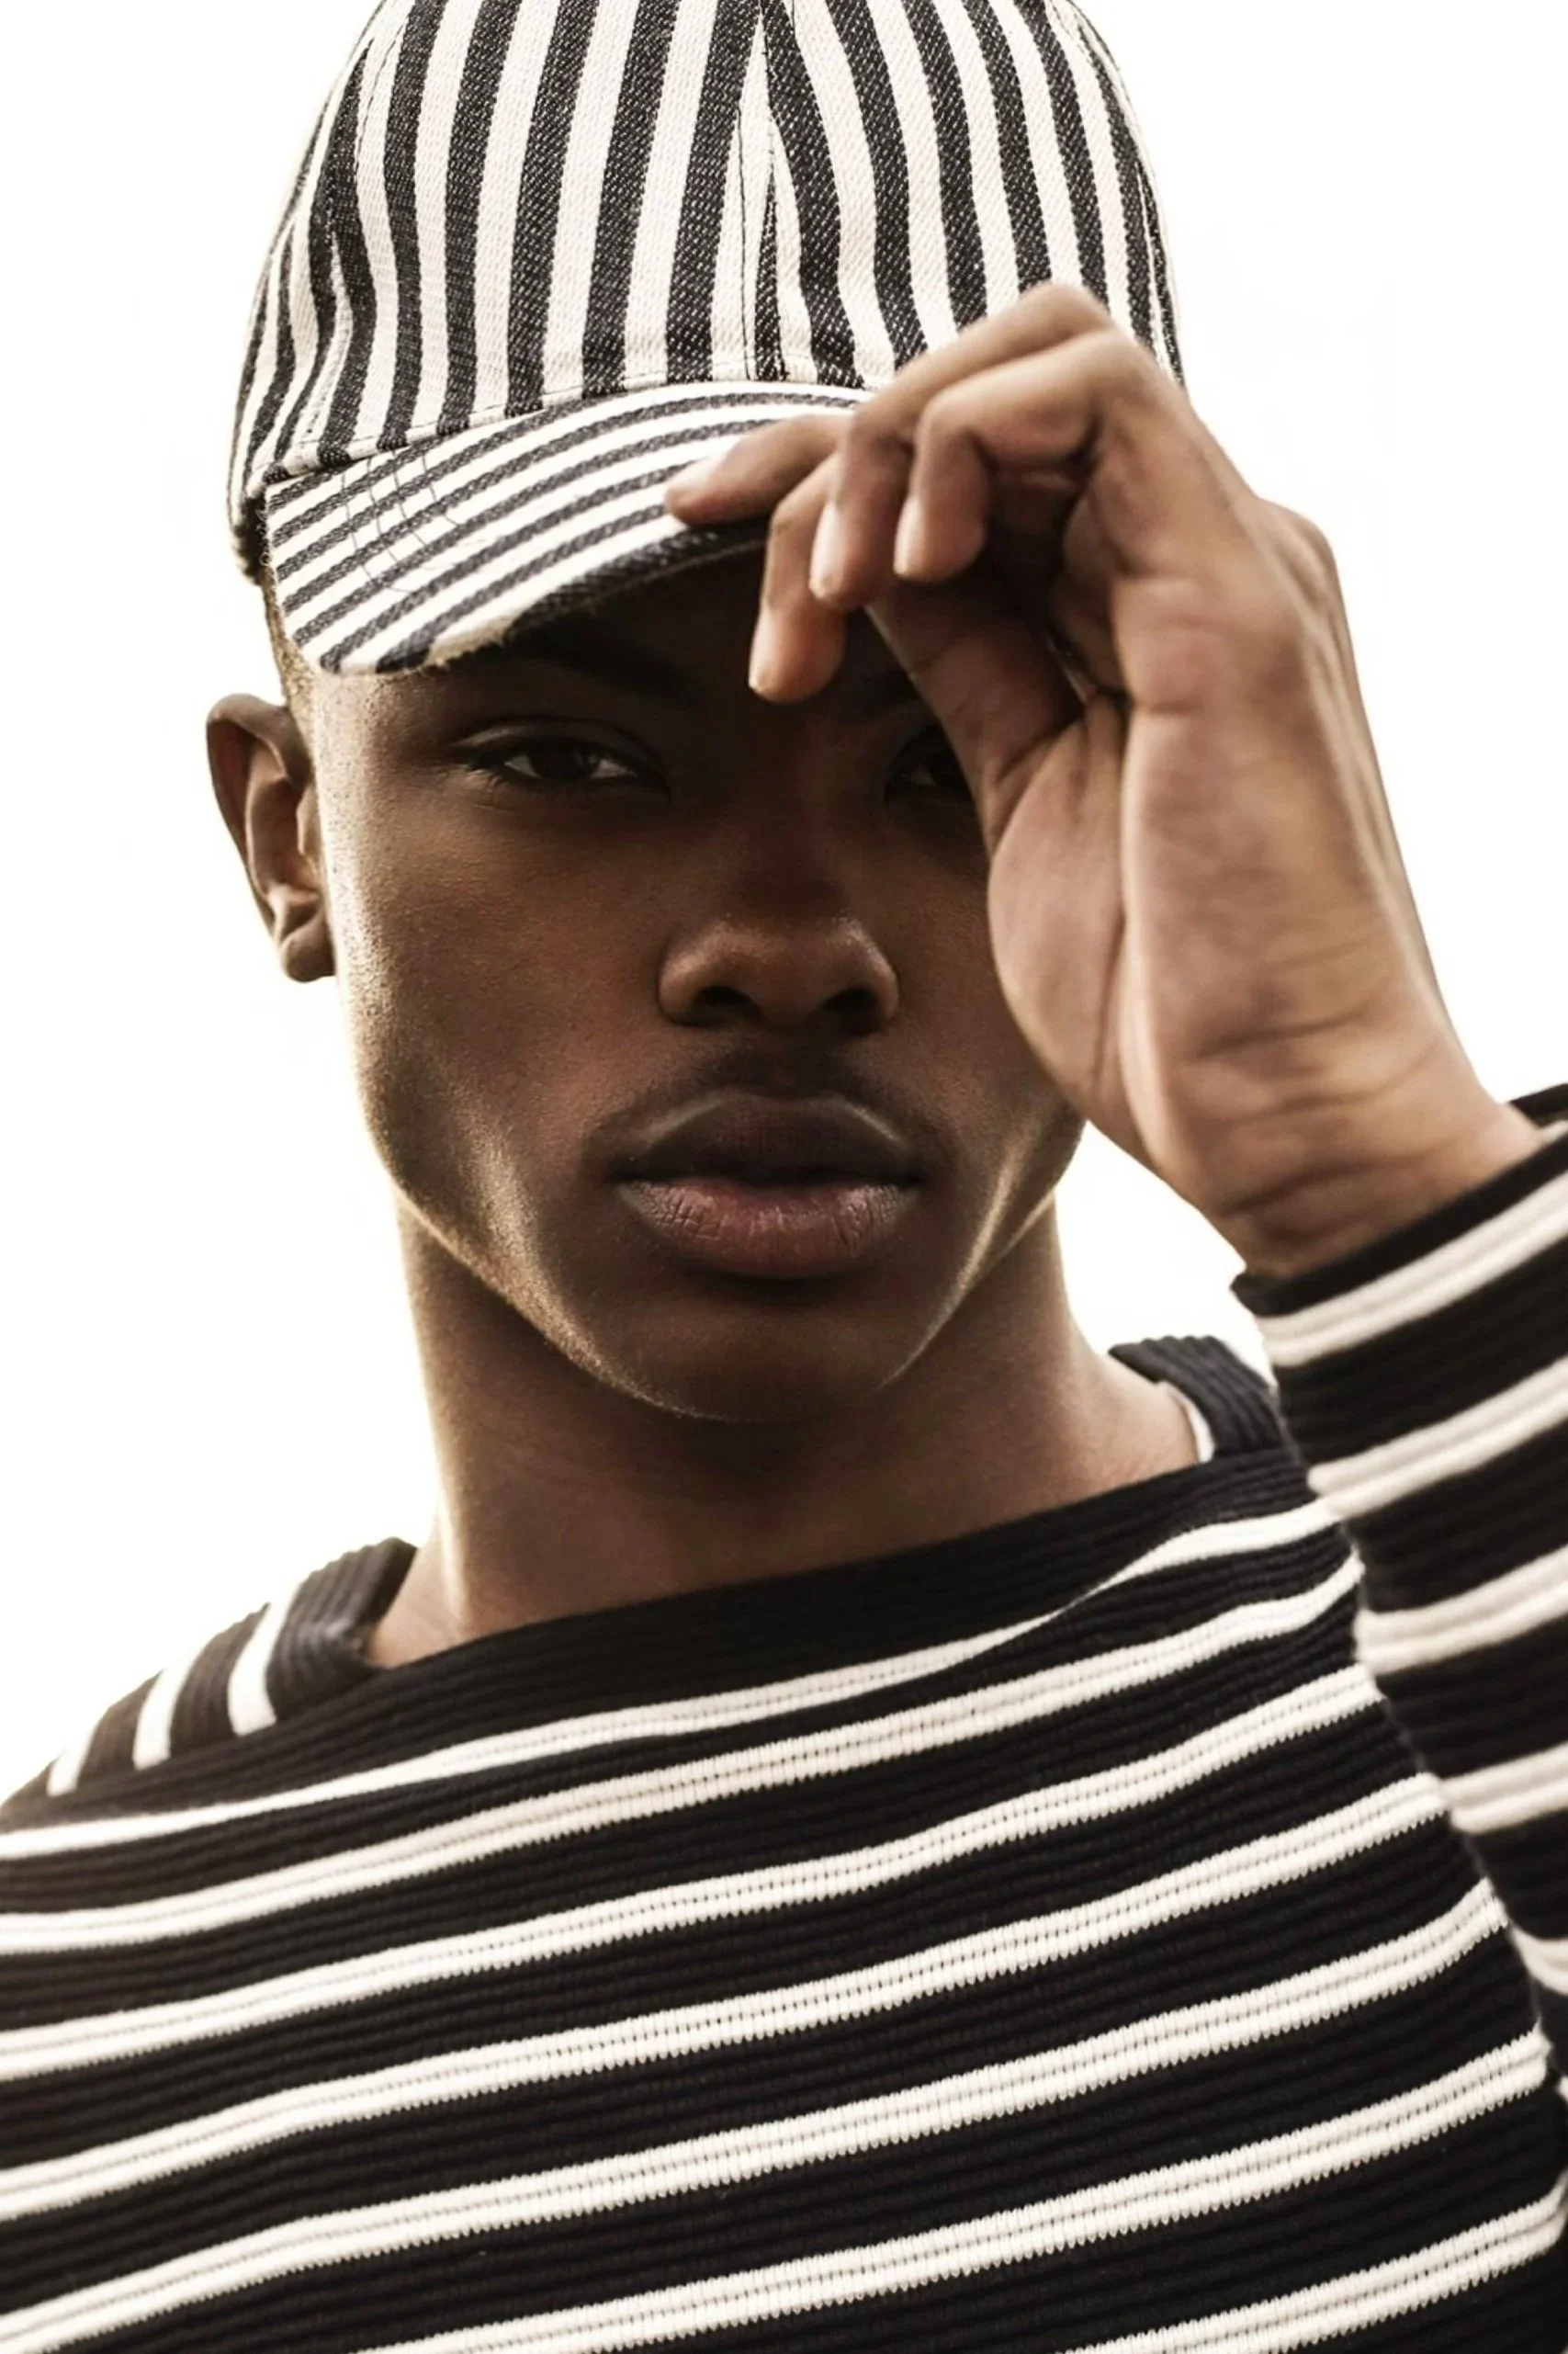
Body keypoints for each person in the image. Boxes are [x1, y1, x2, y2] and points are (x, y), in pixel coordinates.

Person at [2, 0, 1564, 2345]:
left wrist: (1359, 1149)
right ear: (285, 828)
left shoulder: (1483, 1571)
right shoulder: (61, 2022)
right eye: (566, 751)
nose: (783, 947)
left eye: (947, 752)